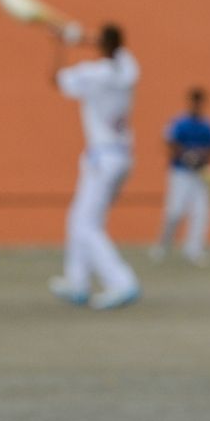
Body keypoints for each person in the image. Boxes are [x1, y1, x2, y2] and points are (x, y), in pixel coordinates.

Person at [50, 23, 141, 310]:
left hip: (103, 159)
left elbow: (57, 79)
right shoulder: (128, 68)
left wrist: (63, 43)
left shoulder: (94, 74)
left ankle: (122, 282)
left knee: (87, 226)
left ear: (102, 45)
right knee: (80, 219)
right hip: (122, 157)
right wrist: (88, 38)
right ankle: (78, 282)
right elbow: (114, 52)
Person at [153, 87, 210, 267]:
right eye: (195, 102)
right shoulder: (179, 123)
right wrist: (186, 156)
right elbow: (170, 143)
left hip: (200, 175)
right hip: (180, 173)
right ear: (190, 102)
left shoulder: (208, 125)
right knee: (175, 210)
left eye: (200, 102)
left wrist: (201, 158)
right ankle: (163, 245)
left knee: (202, 211)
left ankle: (194, 249)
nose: (197, 105)